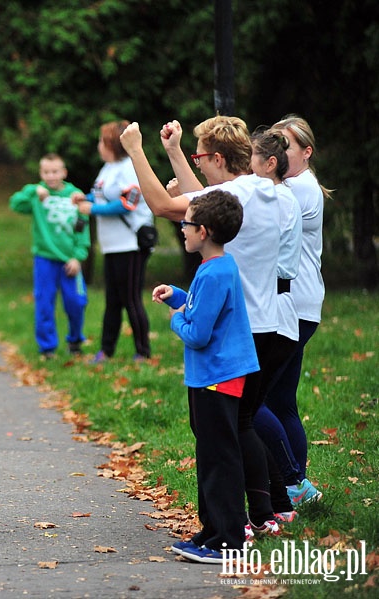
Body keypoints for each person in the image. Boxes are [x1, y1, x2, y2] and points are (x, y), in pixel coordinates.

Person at [120, 115, 291, 541]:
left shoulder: (219, 256)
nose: (195, 168)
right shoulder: (263, 193)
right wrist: (176, 152)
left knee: (224, 441)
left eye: (198, 157)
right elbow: (202, 203)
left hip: (228, 344)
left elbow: (165, 205)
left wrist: (136, 150)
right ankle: (259, 514)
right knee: (239, 428)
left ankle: (237, 527)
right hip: (263, 324)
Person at [152, 189, 257, 564]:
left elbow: (197, 333)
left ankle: (228, 540)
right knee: (210, 453)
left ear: (205, 231)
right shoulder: (214, 268)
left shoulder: (215, 273)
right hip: (208, 377)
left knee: (220, 457)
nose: (181, 228)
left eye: (187, 223)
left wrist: (175, 319)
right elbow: (203, 308)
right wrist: (178, 296)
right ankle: (212, 530)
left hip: (217, 376)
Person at [263, 115, 331, 507]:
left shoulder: (299, 189)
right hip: (300, 302)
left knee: (263, 400)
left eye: (286, 145)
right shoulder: (291, 186)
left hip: (296, 302)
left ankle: (294, 483)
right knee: (282, 400)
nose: (278, 153)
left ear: (306, 152)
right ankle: (295, 486)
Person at [247, 128, 305, 522]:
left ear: (270, 163)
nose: (245, 167)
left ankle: (292, 483)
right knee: (255, 406)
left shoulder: (276, 199)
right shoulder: (274, 196)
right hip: (276, 310)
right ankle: (280, 501)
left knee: (249, 408)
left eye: (250, 158)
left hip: (276, 313)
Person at [77, 120, 154, 363]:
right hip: (112, 245)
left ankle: (143, 351)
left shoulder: (128, 168)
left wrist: (92, 209)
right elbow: (101, 195)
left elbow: (126, 203)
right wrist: (85, 197)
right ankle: (106, 351)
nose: (99, 145)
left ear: (114, 145)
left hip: (130, 245)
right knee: (112, 301)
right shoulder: (108, 168)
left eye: (103, 141)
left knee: (131, 299)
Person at [9, 153, 90, 360]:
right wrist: (33, 190)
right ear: (40, 173)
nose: (51, 176)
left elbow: (83, 228)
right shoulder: (37, 195)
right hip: (44, 259)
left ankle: (75, 340)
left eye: (55, 171)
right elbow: (15, 204)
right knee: (44, 302)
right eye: (46, 172)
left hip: (70, 260)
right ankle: (47, 348)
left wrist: (78, 256)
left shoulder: (75, 195)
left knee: (76, 302)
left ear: (64, 172)